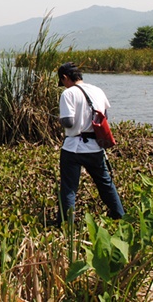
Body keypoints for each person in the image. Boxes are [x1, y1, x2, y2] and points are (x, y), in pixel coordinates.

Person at [57, 62, 124, 224]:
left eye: (62, 82)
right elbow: (104, 117)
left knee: (69, 188)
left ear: (65, 78)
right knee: (105, 182)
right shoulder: (98, 91)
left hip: (73, 148)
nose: (63, 86)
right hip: (95, 147)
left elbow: (69, 122)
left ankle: (66, 223)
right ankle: (119, 215)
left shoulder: (69, 94)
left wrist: (59, 119)